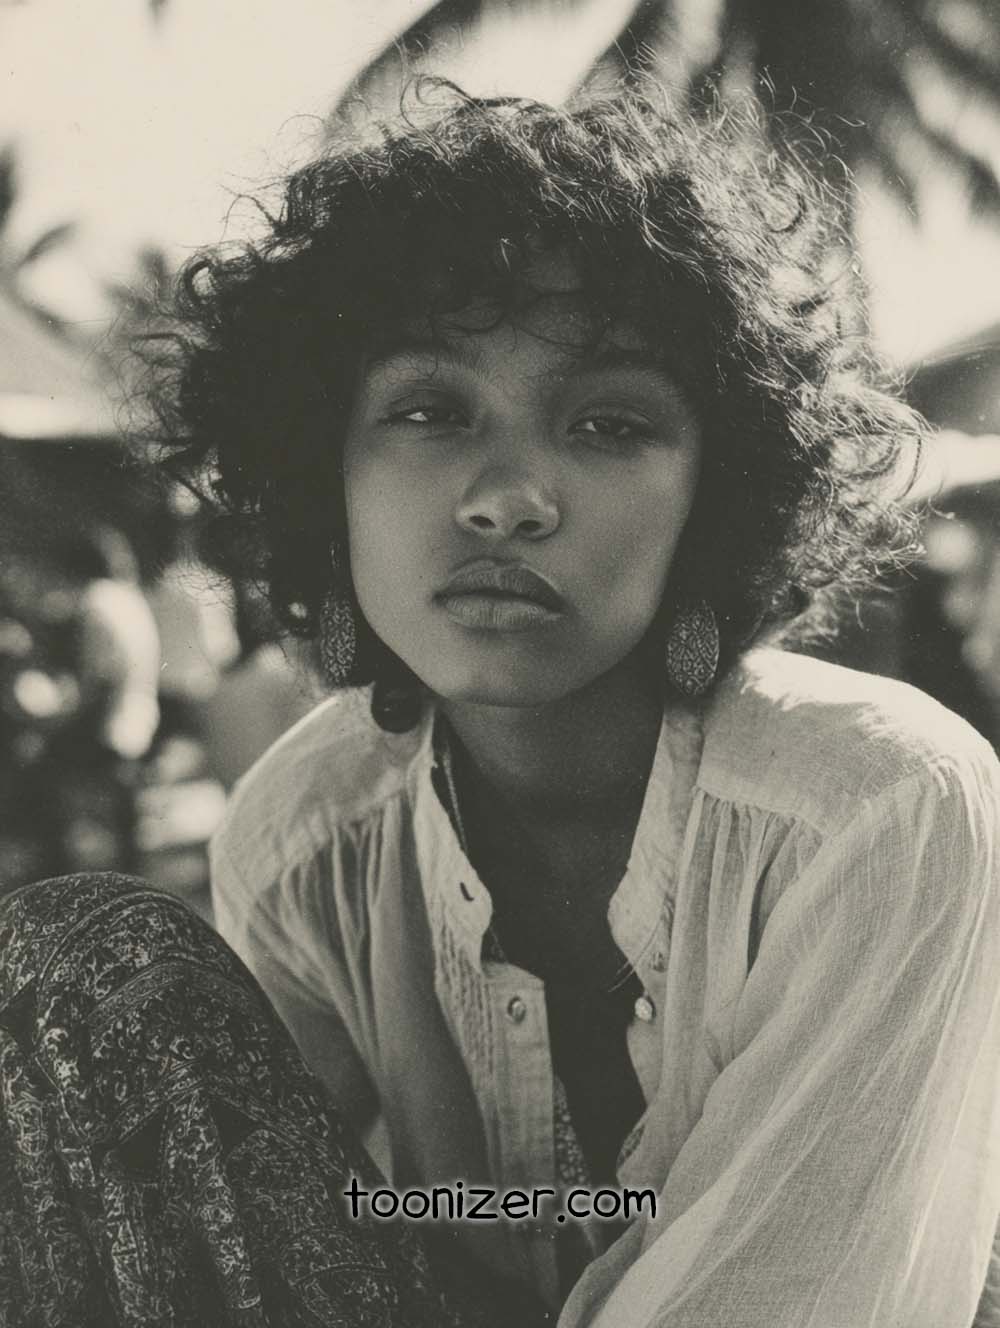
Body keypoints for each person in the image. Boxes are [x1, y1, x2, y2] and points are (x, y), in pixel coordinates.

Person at [5, 82, 999, 1326]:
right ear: (326, 477)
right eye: (429, 410)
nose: (507, 498)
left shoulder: (876, 807)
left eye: (608, 422)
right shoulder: (306, 833)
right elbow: (289, 1227)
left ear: (717, 497)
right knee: (80, 956)